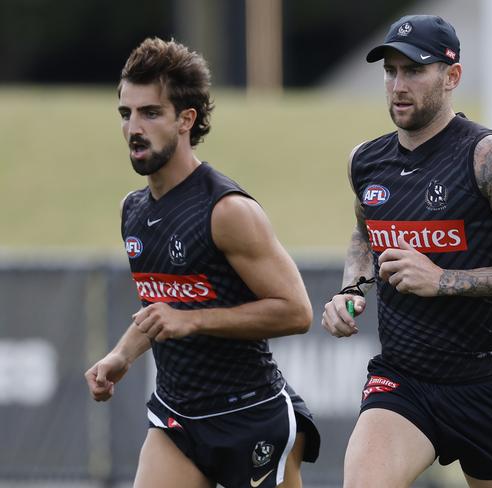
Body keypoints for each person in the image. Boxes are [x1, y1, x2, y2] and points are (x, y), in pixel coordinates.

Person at [322, 14, 492, 488]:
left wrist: (443, 281)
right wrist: (351, 289)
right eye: (390, 70)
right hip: (403, 380)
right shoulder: (366, 160)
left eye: (414, 70)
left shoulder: (488, 157)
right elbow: (365, 232)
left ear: (452, 76)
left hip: (488, 382)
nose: (398, 84)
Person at [84, 38, 319, 488]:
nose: (134, 127)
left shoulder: (227, 210)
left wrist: (193, 322)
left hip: (249, 417)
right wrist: (121, 355)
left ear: (186, 120)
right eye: (125, 113)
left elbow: (296, 311)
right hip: (178, 419)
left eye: (150, 113)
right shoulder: (132, 211)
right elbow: (164, 307)